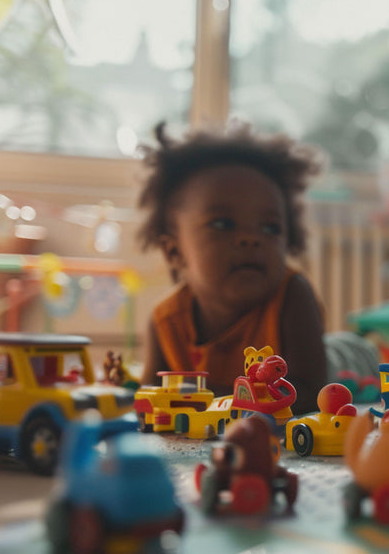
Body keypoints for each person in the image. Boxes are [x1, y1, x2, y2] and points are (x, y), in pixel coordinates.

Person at [136, 122, 328, 415]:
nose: (250, 239)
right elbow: (148, 401)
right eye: (223, 224)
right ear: (174, 252)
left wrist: (209, 399)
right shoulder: (165, 322)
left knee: (356, 363)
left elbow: (313, 392)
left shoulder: (292, 297)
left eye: (270, 227)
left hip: (343, 366)